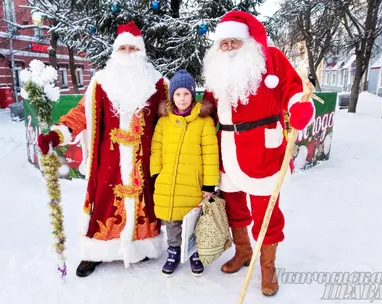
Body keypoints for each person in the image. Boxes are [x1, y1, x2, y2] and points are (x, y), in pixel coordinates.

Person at [37, 21, 169, 277]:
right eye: (124, 48)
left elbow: (169, 121)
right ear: (115, 51)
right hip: (108, 161)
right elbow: (80, 113)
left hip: (145, 161)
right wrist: (57, 134)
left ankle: (141, 247)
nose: (129, 53)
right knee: (104, 204)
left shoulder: (157, 83)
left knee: (145, 205)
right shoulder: (101, 82)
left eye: (133, 48)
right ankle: (96, 251)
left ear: (141, 51)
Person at [202, 11, 315, 296]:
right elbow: (207, 107)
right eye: (223, 44)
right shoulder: (217, 70)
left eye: (233, 42)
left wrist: (300, 108)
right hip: (226, 147)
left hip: (263, 148)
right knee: (234, 206)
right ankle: (242, 251)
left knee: (266, 210)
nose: (227, 48)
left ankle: (268, 266)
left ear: (246, 41)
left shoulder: (271, 58)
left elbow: (294, 89)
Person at [150, 70, 219, 276]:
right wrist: (156, 174)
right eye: (177, 94)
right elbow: (156, 149)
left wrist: (208, 184)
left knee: (193, 220)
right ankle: (173, 251)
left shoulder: (203, 122)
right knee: (172, 220)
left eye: (186, 94)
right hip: (168, 182)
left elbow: (210, 154)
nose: (181, 98)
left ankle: (194, 252)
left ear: (192, 95)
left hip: (193, 183)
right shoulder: (164, 121)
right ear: (172, 96)